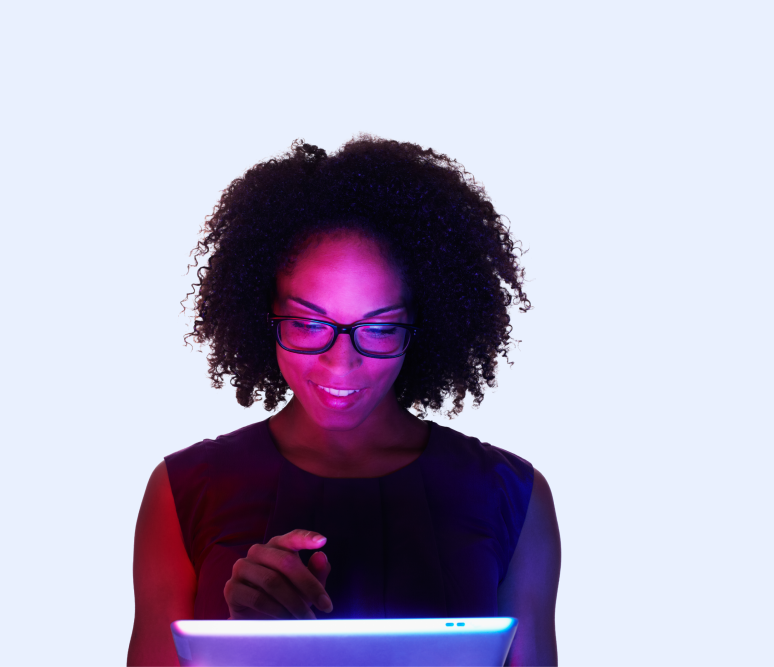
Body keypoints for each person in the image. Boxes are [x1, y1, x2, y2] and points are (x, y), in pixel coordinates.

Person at [126, 137, 560, 666]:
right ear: (262, 312)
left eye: (378, 328)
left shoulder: (511, 495)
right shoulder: (184, 490)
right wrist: (244, 644)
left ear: (423, 324)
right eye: (308, 323)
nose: (340, 363)